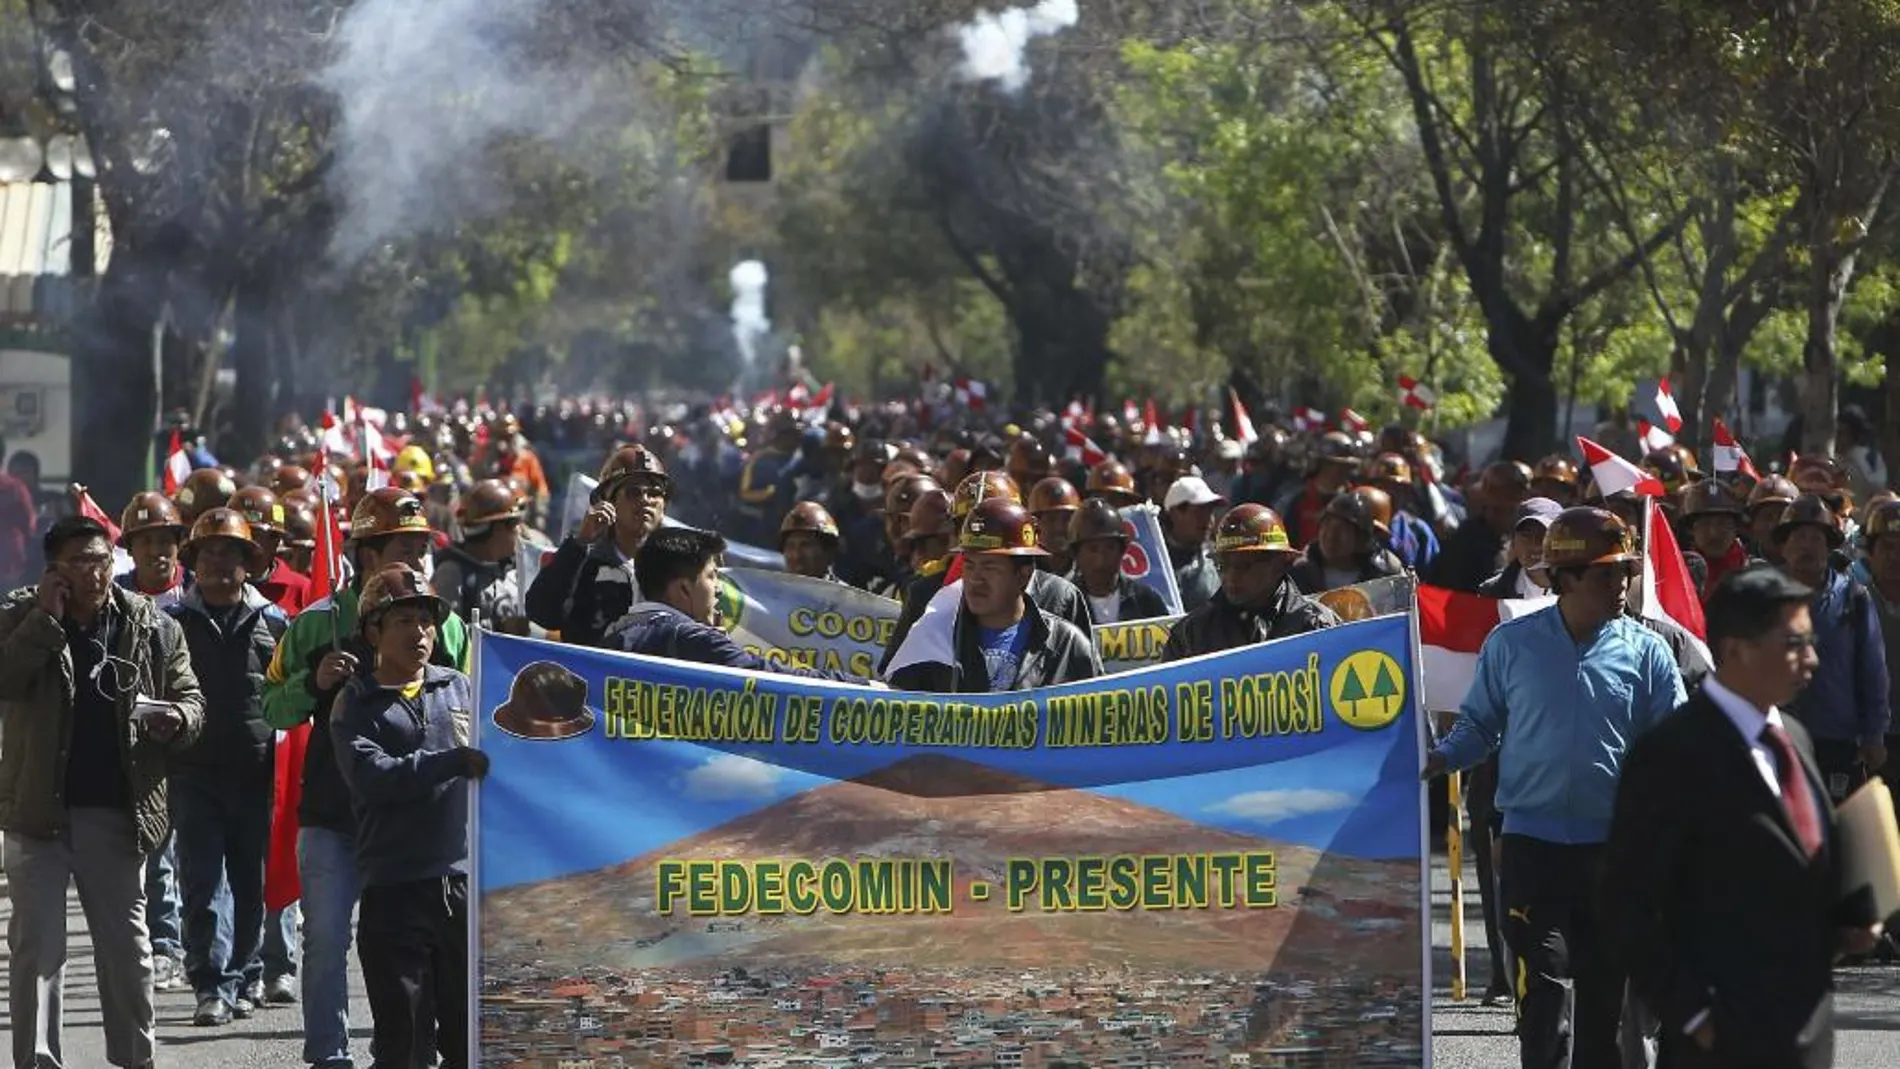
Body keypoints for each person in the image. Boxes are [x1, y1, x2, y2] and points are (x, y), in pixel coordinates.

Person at [1423, 506, 1686, 1069]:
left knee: (1602, 1016)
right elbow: (1479, 725)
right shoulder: (1512, 644)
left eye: (1626, 573)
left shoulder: (1649, 654)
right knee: (1545, 999)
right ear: (1565, 579)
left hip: (1616, 858)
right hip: (1531, 853)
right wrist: (1442, 757)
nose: (1621, 586)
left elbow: (1677, 750)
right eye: (1605, 574)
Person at [1602, 565, 1884, 1069]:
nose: (1812, 659)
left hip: (1805, 1029)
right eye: (1793, 643)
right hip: (1720, 1039)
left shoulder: (1795, 739)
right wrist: (1694, 1016)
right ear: (1735, 649)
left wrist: (1850, 921)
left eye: (1811, 642)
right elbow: (1629, 905)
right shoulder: (1671, 754)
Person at [263, 487, 470, 1069]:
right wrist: (313, 684)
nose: (419, 558)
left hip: (415, 829)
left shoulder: (441, 626)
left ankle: (405, 1045)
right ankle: (330, 1055)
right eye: (404, 546)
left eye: (422, 547)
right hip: (334, 815)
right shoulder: (313, 626)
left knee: (419, 957)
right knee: (327, 939)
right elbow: (272, 708)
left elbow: (462, 703)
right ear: (366, 554)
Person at [0, 514, 205, 1069]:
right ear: (55, 571)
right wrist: (45, 620)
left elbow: (191, 696)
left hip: (118, 813)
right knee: (39, 952)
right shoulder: (21, 614)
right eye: (81, 562)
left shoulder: (149, 623)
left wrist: (177, 719)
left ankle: (135, 1059)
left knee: (128, 952)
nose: (95, 572)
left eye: (102, 560)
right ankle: (39, 1062)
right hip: (38, 814)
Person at [331, 564, 487, 1069]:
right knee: (404, 1042)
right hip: (395, 889)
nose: (419, 632)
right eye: (404, 621)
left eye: (426, 620)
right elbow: (373, 779)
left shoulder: (463, 688)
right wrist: (448, 764)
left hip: (462, 888)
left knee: (469, 1040)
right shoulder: (355, 702)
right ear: (375, 630)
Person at [164, 507, 289, 1025]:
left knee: (251, 883)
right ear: (192, 561)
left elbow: (291, 696)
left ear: (248, 564)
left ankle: (248, 973)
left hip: (255, 774)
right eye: (208, 552)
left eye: (230, 553)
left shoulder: (275, 624)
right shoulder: (170, 624)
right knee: (202, 883)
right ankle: (211, 985)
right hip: (192, 774)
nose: (218, 562)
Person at [887, 498, 1100, 692]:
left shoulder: (1066, 645)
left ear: (1023, 576)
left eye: (989, 567)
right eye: (969, 566)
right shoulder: (931, 637)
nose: (975, 579)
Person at [611, 527, 864, 681]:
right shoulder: (696, 641)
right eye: (712, 576)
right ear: (683, 588)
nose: (719, 587)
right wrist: (867, 687)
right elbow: (776, 678)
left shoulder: (614, 638)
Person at [1773, 493, 1890, 802]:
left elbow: (1872, 671)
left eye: (1815, 537)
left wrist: (1874, 734)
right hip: (1775, 737)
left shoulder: (1853, 597)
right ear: (1783, 546)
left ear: (1829, 545)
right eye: (1798, 537)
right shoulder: (1765, 596)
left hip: (1836, 740)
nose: (1806, 546)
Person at [525, 445, 670, 646]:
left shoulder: (674, 568)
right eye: (633, 492)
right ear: (608, 502)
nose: (645, 500)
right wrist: (578, 545)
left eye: (655, 493)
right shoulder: (582, 561)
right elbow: (543, 614)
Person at [1161, 504, 1338, 661]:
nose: (1230, 577)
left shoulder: (1316, 625)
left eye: (1243, 566)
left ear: (1279, 564)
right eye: (1222, 565)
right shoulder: (1191, 634)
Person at [432, 478, 529, 633]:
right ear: (496, 529)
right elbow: (444, 635)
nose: (519, 531)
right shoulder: (452, 574)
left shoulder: (512, 571)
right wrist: (498, 630)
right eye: (513, 524)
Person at [1066, 498, 1169, 624]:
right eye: (1093, 549)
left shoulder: (1146, 601)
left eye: (1109, 548)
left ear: (1122, 551)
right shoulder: (1063, 606)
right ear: (1076, 554)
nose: (1101, 560)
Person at [1288, 486, 1406, 594]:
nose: (1331, 536)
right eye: (1326, 526)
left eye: (1341, 530)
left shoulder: (1385, 574)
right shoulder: (1299, 573)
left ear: (1360, 538)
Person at [229, 485, 314, 614]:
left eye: (253, 535)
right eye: (237, 535)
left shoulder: (302, 591)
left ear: (275, 539)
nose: (244, 543)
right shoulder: (211, 585)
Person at [1160, 475, 1224, 612]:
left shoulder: (1220, 557)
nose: (1208, 519)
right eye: (1199, 511)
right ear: (1174, 513)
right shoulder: (1156, 561)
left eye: (1210, 511)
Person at [778, 501, 844, 582]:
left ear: (828, 551)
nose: (796, 555)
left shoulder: (844, 594)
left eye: (806, 546)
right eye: (790, 546)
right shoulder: (771, 593)